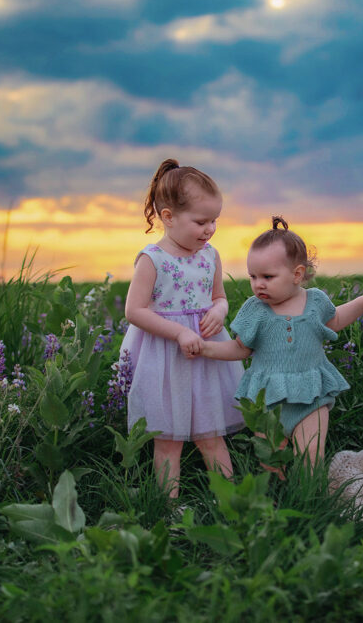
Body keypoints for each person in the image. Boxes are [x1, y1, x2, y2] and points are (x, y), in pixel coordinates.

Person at [198, 217, 363, 472]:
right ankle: (276, 503)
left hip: (311, 393)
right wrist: (205, 349)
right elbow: (240, 348)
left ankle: (310, 499)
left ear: (297, 274)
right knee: (270, 457)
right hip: (267, 397)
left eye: (268, 276)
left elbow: (335, 321)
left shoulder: (315, 301)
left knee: (311, 452)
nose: (258, 284)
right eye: (253, 276)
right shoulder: (254, 310)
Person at [121, 158, 246, 500]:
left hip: (206, 353)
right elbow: (135, 310)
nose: (209, 229)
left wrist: (219, 311)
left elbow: (219, 296)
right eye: (201, 221)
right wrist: (178, 332)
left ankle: (231, 503)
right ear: (168, 217)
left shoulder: (210, 256)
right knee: (168, 441)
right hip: (165, 356)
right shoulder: (152, 259)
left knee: (211, 435)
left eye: (214, 221)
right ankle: (168, 508)